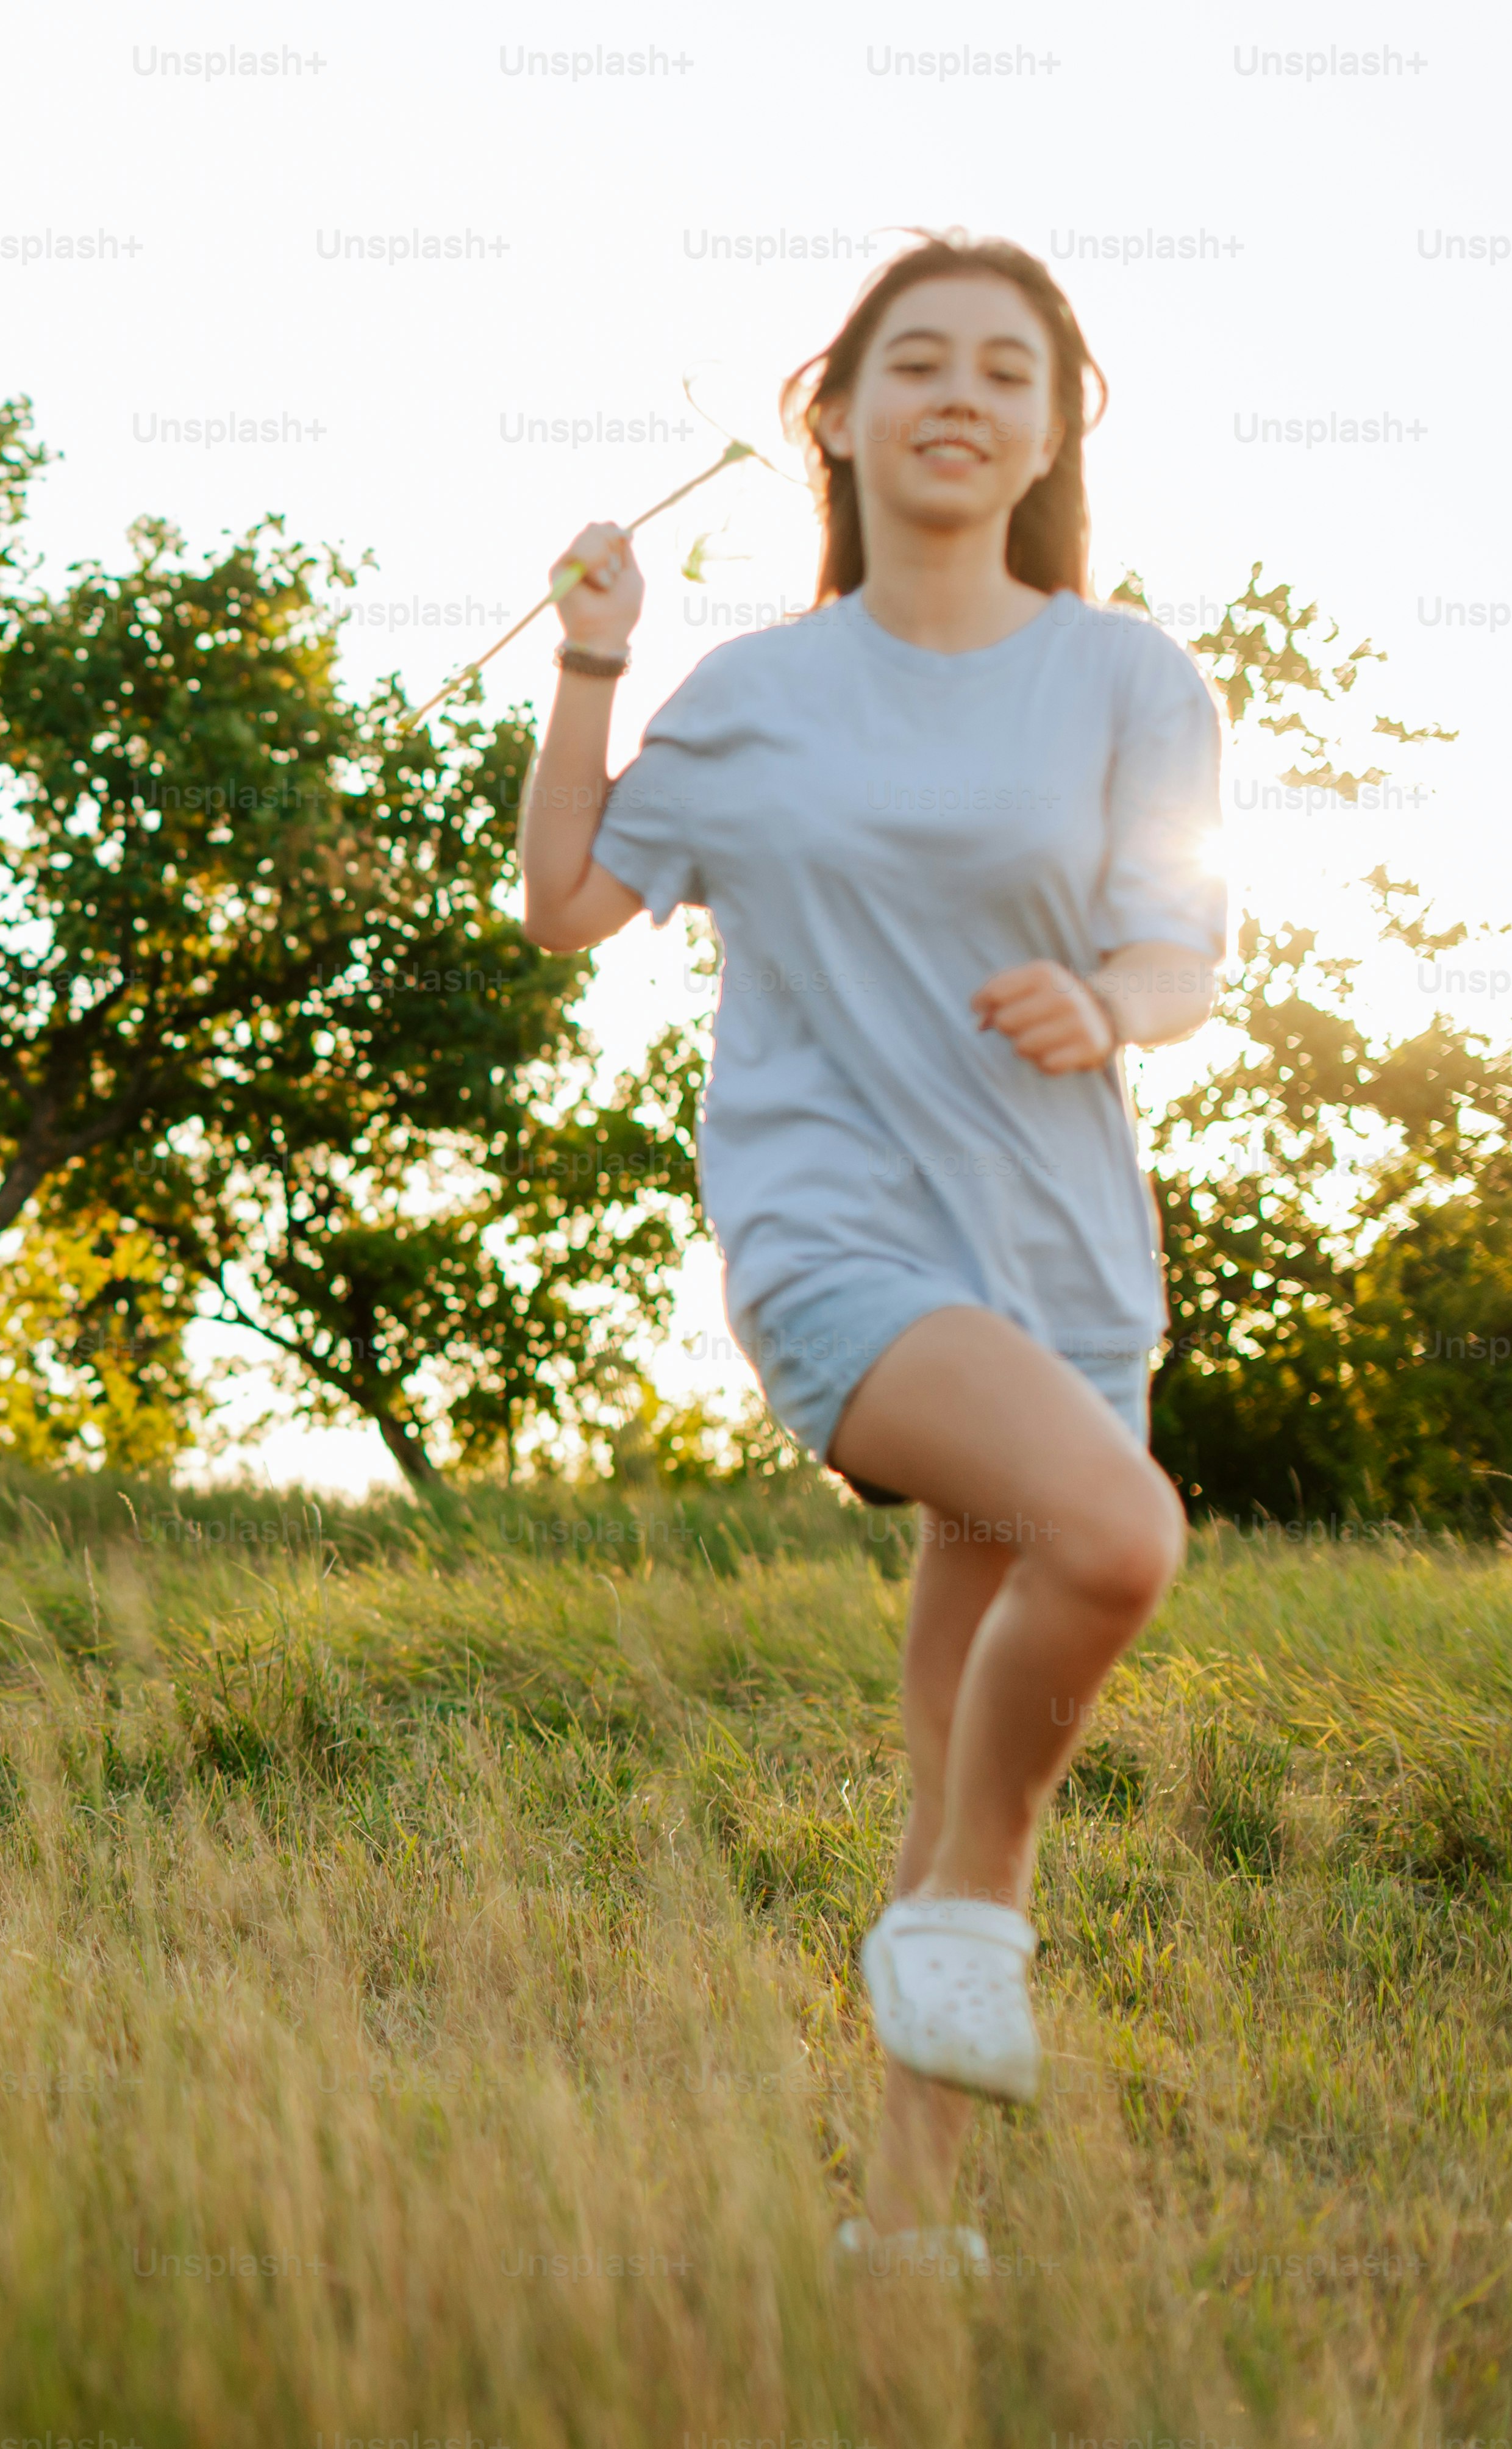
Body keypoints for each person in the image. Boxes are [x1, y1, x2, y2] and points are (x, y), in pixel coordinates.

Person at [512, 233, 1224, 2272]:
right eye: (915, 359)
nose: (960, 393)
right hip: (834, 1229)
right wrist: (589, 667)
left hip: (1063, 1250)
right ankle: (970, 1916)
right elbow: (567, 898)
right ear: (830, 410)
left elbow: (1175, 937)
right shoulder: (752, 696)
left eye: (1009, 369)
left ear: (1053, 425)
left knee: (949, 1738)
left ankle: (902, 2237)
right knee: (1115, 1540)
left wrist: (1113, 1004)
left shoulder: (1122, 676)